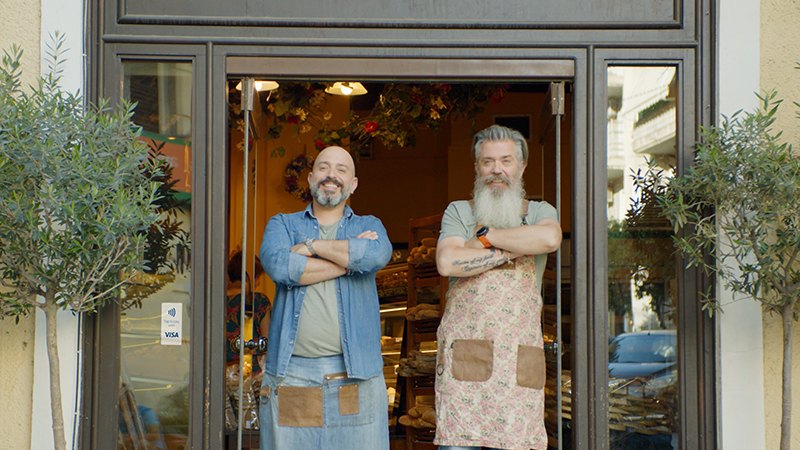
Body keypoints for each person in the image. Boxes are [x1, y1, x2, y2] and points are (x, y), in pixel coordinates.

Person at [434, 125, 562, 450]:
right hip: (466, 363)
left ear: (521, 167)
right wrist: (517, 247)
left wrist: (484, 238)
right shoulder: (459, 211)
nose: (497, 170)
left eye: (506, 160)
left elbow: (548, 238)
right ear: (477, 167)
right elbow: (448, 263)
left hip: (519, 365)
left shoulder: (540, 211)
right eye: (488, 162)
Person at [258, 146, 393, 450]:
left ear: (353, 184)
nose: (331, 175)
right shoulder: (282, 224)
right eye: (323, 168)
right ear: (310, 178)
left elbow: (375, 254)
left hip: (355, 375)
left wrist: (309, 247)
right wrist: (349, 264)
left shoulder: (369, 226)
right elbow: (280, 266)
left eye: (341, 169)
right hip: (294, 374)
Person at [225, 251, 270, 375]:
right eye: (257, 278)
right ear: (250, 277)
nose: (258, 283)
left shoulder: (215, 302)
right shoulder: (259, 301)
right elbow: (266, 343)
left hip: (219, 371)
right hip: (250, 373)